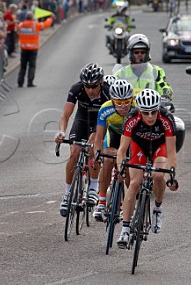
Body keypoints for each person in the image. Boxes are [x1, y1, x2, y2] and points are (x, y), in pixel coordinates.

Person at [116, 89, 178, 248]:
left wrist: (172, 175)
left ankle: (157, 208)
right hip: (139, 147)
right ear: (139, 110)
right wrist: (121, 168)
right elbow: (122, 150)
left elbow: (171, 152)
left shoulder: (166, 119)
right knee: (135, 183)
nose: (150, 116)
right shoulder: (132, 118)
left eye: (153, 112)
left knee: (158, 176)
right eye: (145, 112)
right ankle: (125, 229)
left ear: (159, 109)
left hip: (159, 147)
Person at [55, 63, 110, 217]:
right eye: (87, 86)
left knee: (93, 148)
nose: (90, 90)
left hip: (99, 124)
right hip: (81, 121)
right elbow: (65, 115)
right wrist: (61, 132)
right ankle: (67, 195)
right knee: (74, 153)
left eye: (94, 86)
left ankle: (92, 188)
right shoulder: (76, 89)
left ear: (101, 82)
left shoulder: (108, 92)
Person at [92, 79, 136, 222]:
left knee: (130, 168)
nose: (123, 106)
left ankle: (131, 203)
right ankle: (102, 201)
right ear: (112, 101)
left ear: (132, 99)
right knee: (108, 160)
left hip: (132, 138)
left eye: (126, 101)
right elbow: (99, 137)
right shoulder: (105, 109)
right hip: (114, 135)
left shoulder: (137, 109)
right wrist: (98, 154)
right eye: (118, 102)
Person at [114, 33, 173, 100]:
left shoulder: (156, 71)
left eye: (143, 52)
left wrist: (166, 94)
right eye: (136, 52)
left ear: (147, 53)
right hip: (128, 107)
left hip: (151, 106)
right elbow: (113, 89)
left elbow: (163, 85)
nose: (140, 55)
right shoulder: (121, 73)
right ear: (130, 53)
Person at [17, 10, 54, 88]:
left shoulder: (21, 25)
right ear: (32, 17)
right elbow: (45, 25)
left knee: (23, 66)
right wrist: (50, 18)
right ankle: (30, 82)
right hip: (33, 49)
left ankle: (20, 82)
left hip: (24, 49)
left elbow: (18, 33)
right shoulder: (35, 25)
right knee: (32, 66)